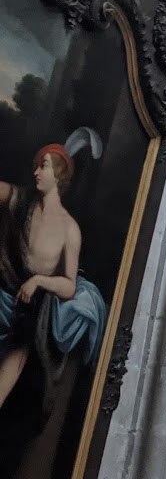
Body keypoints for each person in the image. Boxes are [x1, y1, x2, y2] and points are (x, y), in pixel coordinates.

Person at [0, 142, 106, 421]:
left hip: (28, 309)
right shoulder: (24, 203)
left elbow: (69, 285)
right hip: (5, 291)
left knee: (17, 350)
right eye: (36, 166)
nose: (36, 172)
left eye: (43, 166)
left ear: (59, 174)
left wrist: (38, 281)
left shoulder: (69, 229)